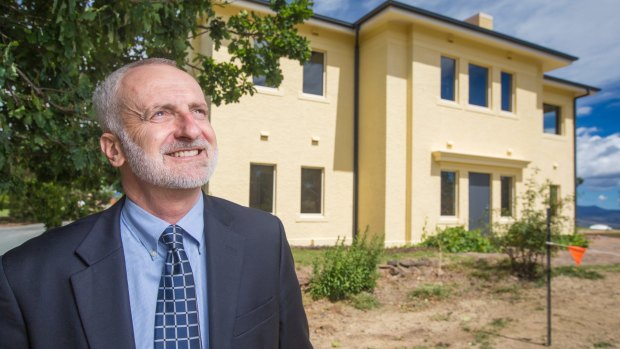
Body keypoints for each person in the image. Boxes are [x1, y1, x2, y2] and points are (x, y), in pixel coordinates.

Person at [0, 58, 312, 349]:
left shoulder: (264, 238)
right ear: (114, 149)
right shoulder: (27, 276)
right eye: (160, 113)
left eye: (199, 111)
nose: (191, 130)